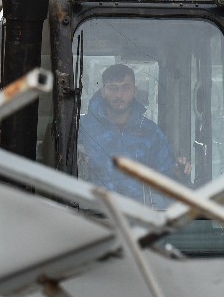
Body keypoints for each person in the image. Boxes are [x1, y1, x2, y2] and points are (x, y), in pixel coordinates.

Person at [77, 63, 190, 204]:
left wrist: (178, 173)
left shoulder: (151, 132)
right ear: (103, 91)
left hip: (140, 216)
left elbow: (167, 178)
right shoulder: (81, 128)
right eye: (113, 88)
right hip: (91, 214)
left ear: (135, 91)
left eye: (126, 87)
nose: (119, 94)